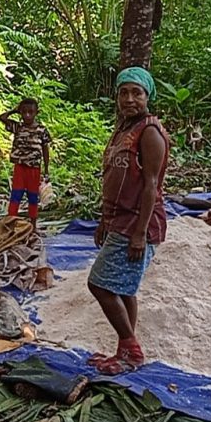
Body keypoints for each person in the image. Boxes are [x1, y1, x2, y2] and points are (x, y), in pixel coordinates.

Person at [86, 67, 170, 376]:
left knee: (98, 284)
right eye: (124, 92)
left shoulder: (149, 132)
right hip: (118, 219)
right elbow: (115, 178)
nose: (129, 99)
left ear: (148, 96)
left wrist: (139, 234)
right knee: (123, 289)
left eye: (137, 93)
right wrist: (103, 221)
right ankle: (125, 350)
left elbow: (151, 185)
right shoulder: (124, 129)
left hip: (138, 222)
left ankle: (131, 349)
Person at [0, 98, 51, 228]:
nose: (27, 115)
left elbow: (45, 150)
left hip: (34, 168)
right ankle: (10, 223)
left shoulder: (41, 130)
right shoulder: (17, 127)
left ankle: (32, 225)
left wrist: (46, 169)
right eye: (24, 112)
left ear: (36, 113)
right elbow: (2, 117)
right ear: (20, 113)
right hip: (20, 168)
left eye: (31, 112)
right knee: (16, 196)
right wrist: (14, 110)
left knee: (33, 197)